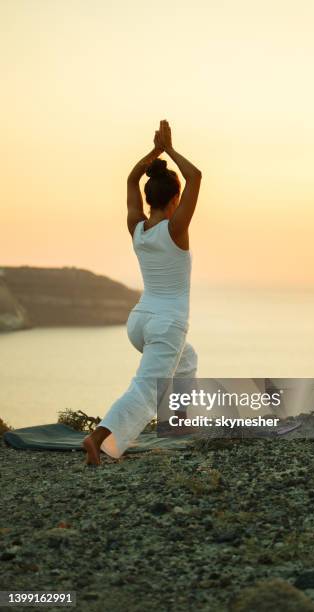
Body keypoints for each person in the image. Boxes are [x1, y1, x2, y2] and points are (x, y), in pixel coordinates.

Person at [82, 119, 202, 465]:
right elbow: (196, 177)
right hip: (166, 326)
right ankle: (98, 438)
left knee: (187, 360)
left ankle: (179, 423)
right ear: (175, 198)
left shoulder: (137, 227)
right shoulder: (176, 229)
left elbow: (132, 179)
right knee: (146, 391)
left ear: (150, 198)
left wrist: (156, 152)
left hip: (140, 322)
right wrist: (171, 149)